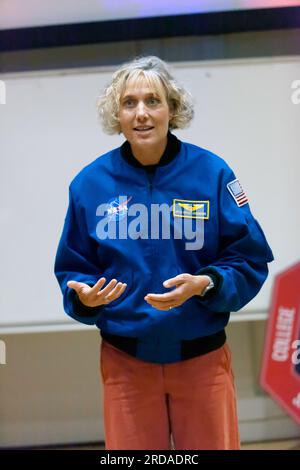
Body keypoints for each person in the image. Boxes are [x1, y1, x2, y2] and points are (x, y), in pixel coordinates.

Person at [54, 56, 274, 450]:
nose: (141, 113)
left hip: (202, 361)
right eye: (129, 103)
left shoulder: (213, 174)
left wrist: (207, 283)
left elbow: (250, 259)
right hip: (125, 364)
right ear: (116, 115)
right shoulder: (88, 185)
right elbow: (74, 268)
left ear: (172, 109)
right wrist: (83, 297)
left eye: (153, 101)